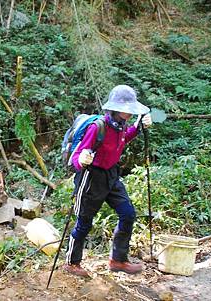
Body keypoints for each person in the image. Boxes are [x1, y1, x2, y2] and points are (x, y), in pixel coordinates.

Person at [63, 85, 153, 277]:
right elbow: (77, 156)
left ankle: (118, 260)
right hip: (91, 177)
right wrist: (81, 160)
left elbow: (122, 141)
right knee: (84, 222)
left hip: (111, 175)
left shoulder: (121, 125)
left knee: (128, 213)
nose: (129, 111)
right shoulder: (98, 127)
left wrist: (138, 127)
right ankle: (72, 262)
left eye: (131, 108)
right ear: (115, 107)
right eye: (126, 108)